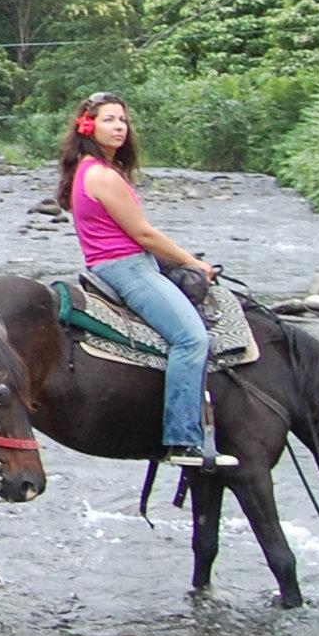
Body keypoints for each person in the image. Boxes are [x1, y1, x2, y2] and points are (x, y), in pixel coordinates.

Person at [61, 92, 233, 468]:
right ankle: (183, 439)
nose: (119, 126)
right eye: (109, 119)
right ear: (88, 127)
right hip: (128, 268)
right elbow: (144, 235)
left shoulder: (85, 170)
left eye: (122, 119)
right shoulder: (103, 176)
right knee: (191, 338)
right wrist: (194, 263)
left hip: (115, 265)